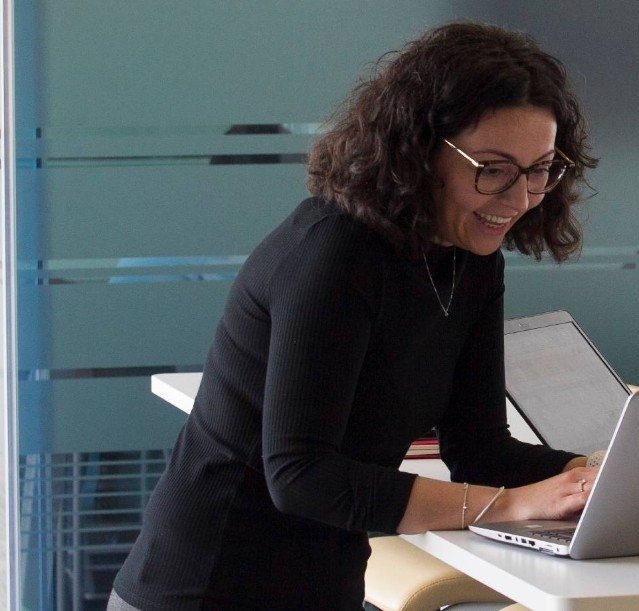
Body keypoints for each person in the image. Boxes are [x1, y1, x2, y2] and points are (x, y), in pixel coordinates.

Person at [111, 22, 599, 610]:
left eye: (540, 169)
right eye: (492, 169)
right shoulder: (336, 252)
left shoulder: (470, 258)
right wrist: (510, 505)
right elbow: (299, 475)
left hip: (324, 581)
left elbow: (481, 450)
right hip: (207, 585)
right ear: (421, 152)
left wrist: (597, 474)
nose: (519, 200)